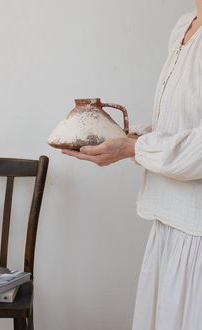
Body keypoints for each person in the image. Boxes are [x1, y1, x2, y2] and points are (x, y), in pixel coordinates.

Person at [62, 1, 202, 329]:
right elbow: (180, 125)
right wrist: (123, 138)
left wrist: (132, 147)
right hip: (168, 225)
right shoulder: (184, 27)